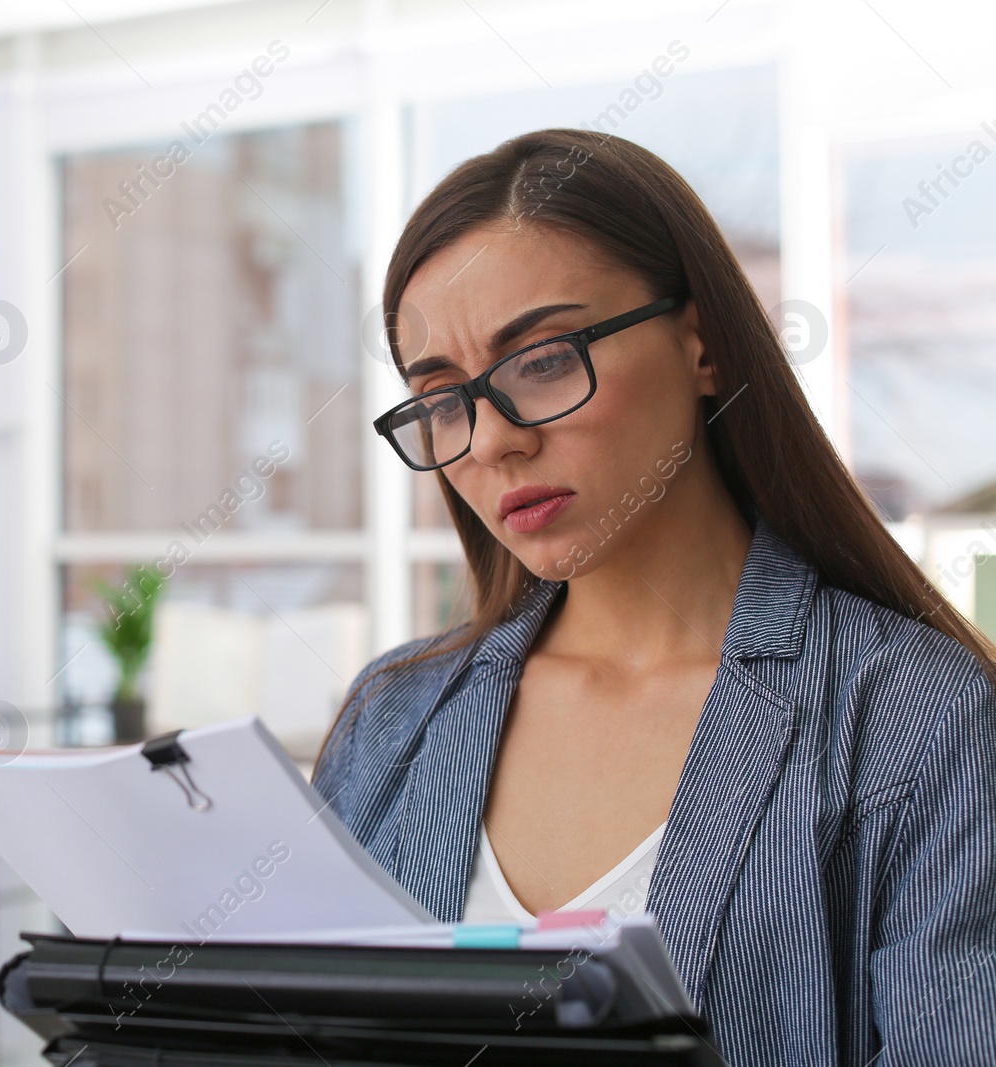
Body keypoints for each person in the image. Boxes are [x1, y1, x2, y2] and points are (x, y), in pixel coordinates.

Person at [311, 128, 996, 1065]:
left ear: (703, 343)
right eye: (443, 399)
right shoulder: (390, 720)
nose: (491, 442)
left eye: (543, 360)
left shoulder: (914, 715)